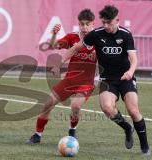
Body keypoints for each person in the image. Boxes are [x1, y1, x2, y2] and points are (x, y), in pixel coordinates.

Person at [62, 5, 150, 156]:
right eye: (103, 22)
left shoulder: (126, 34)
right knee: (107, 108)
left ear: (117, 20)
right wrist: (61, 61)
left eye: (109, 23)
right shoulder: (96, 34)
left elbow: (134, 58)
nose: (106, 26)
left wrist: (130, 72)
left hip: (125, 77)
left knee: (133, 110)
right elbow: (76, 48)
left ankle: (145, 146)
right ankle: (127, 128)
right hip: (107, 78)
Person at [27, 9, 97, 144]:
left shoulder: (98, 40)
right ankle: (37, 134)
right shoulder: (72, 37)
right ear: (79, 24)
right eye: (82, 24)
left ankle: (72, 130)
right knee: (48, 103)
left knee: (75, 106)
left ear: (93, 24)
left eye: (88, 24)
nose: (84, 27)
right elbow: (53, 45)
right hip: (69, 80)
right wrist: (54, 34)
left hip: (86, 83)